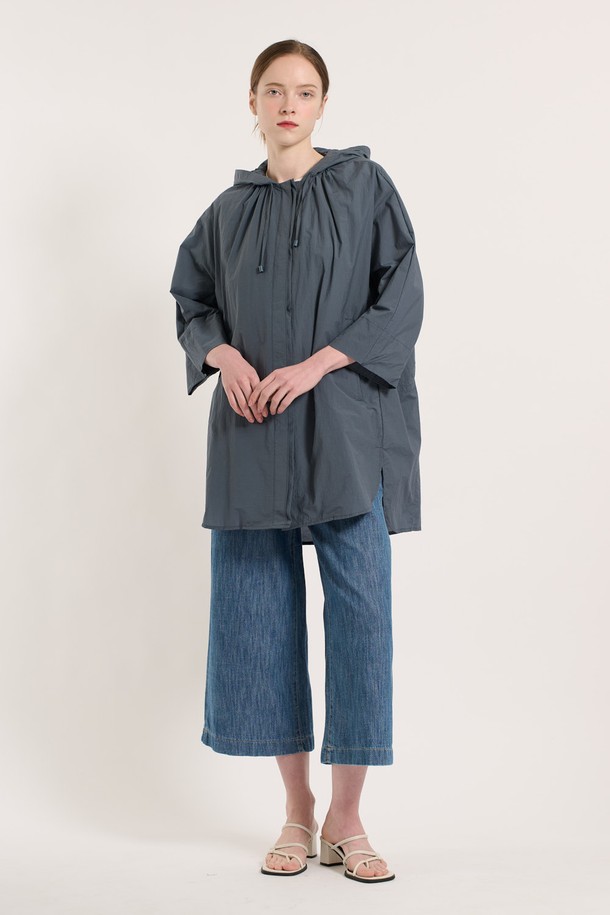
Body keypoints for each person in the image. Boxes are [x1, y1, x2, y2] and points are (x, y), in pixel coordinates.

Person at [169, 39, 424, 884]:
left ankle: (347, 817)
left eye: (305, 92)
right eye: (274, 90)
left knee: (361, 615)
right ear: (252, 101)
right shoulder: (225, 212)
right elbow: (192, 301)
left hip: (346, 429)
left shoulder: (366, 187)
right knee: (260, 614)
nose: (288, 105)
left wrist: (317, 364)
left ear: (322, 104)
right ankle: (296, 808)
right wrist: (222, 357)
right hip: (253, 432)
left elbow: (401, 297)